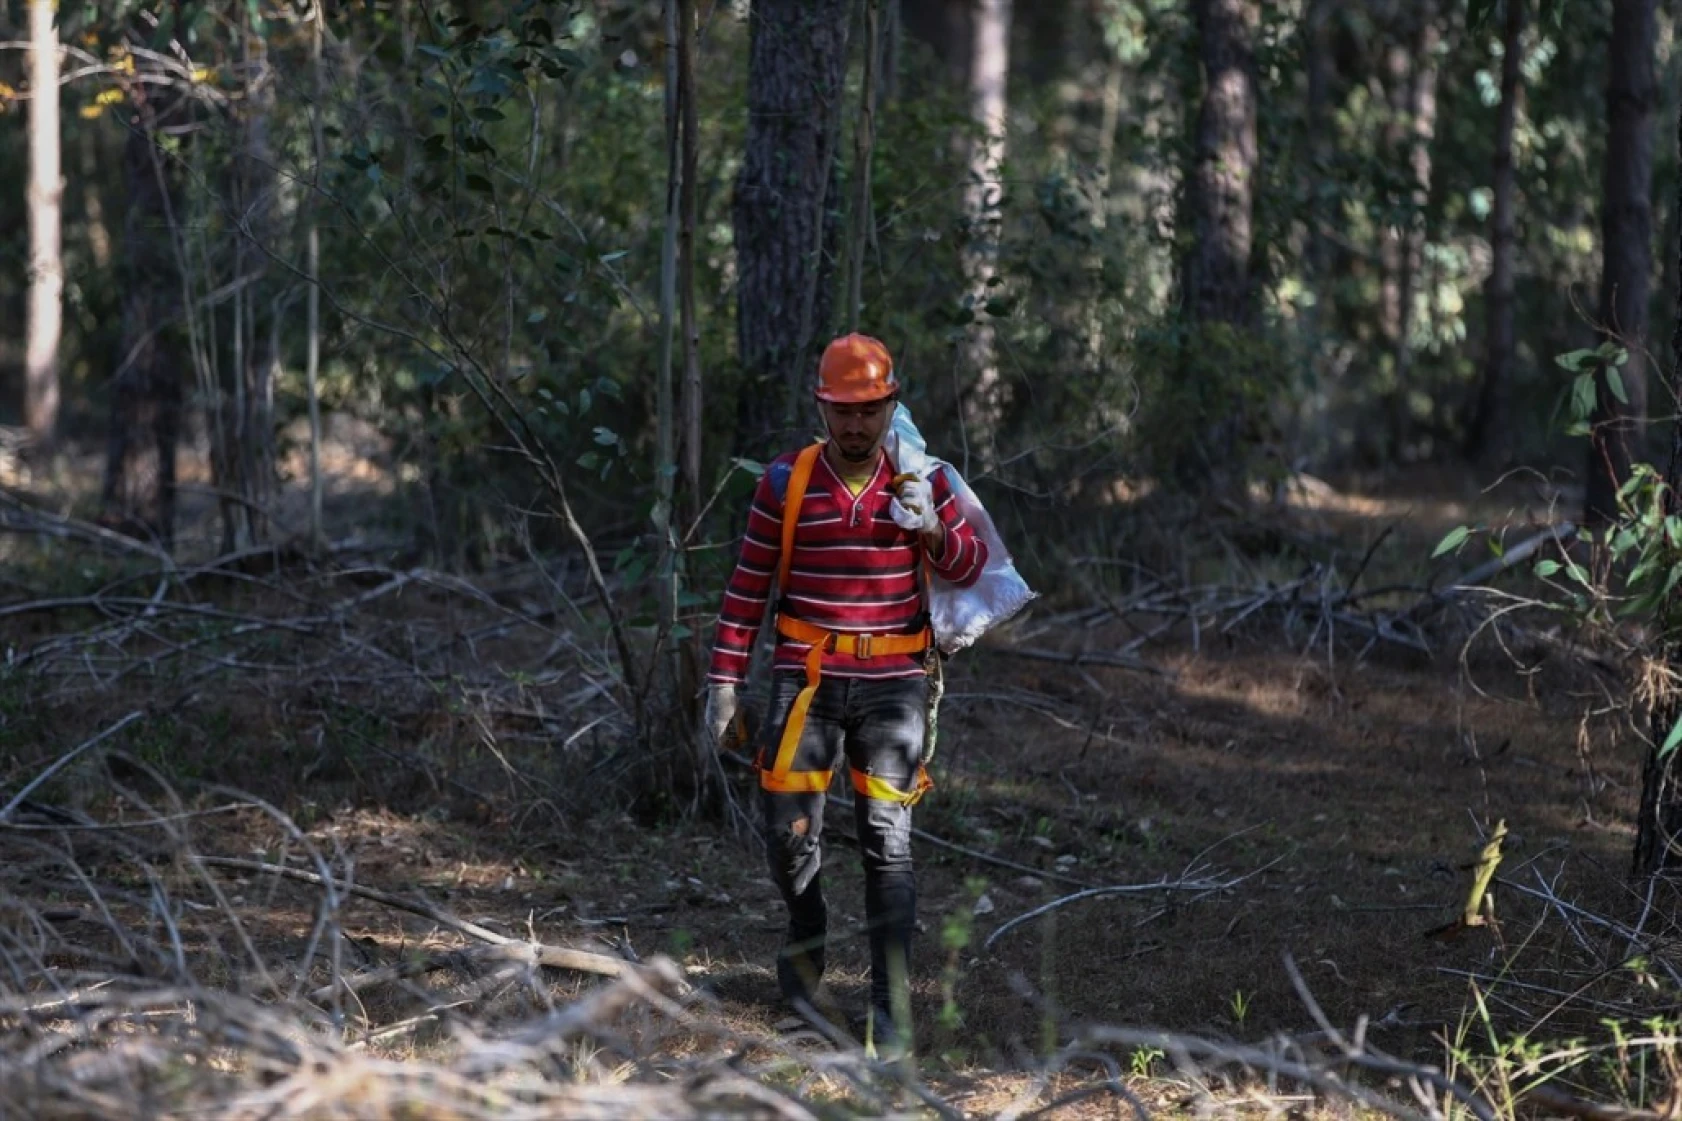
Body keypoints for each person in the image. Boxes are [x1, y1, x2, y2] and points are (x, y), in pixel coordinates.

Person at [703, 333, 988, 1056]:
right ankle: (805, 956)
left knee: (888, 845)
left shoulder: (926, 479)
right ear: (821, 407)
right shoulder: (783, 483)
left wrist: (931, 526)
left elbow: (971, 563)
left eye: (869, 409)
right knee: (788, 839)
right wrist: (724, 682)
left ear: (890, 403)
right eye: (842, 411)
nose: (856, 425)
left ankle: (889, 1011)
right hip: (805, 682)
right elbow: (746, 589)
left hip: (894, 684)